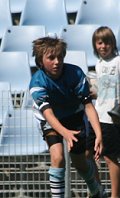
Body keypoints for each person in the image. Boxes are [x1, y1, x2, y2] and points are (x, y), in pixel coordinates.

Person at [29, 36, 107, 198]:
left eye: (60, 57)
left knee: (80, 163)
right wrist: (64, 132)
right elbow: (48, 114)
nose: (57, 61)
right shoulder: (37, 83)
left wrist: (99, 134)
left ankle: (95, 189)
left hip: (74, 116)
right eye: (51, 58)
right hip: (50, 120)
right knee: (57, 157)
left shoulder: (75, 73)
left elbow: (88, 106)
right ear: (40, 61)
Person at [87, 26, 120, 198]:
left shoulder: (119, 61)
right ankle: (97, 190)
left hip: (113, 119)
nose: (103, 46)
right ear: (95, 45)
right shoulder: (98, 64)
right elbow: (105, 91)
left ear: (113, 44)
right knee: (86, 154)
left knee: (110, 158)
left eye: (107, 42)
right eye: (99, 43)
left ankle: (115, 195)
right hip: (97, 117)